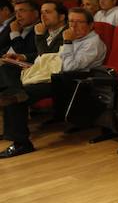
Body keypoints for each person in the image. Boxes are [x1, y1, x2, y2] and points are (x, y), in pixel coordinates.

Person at [0, 8, 106, 158]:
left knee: (17, 97)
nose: (73, 26)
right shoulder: (76, 38)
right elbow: (52, 57)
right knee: (8, 76)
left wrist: (67, 42)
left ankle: (21, 144)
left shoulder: (92, 43)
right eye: (71, 22)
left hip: (73, 82)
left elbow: (68, 67)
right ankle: (14, 100)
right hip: (55, 76)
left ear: (90, 25)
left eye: (79, 22)